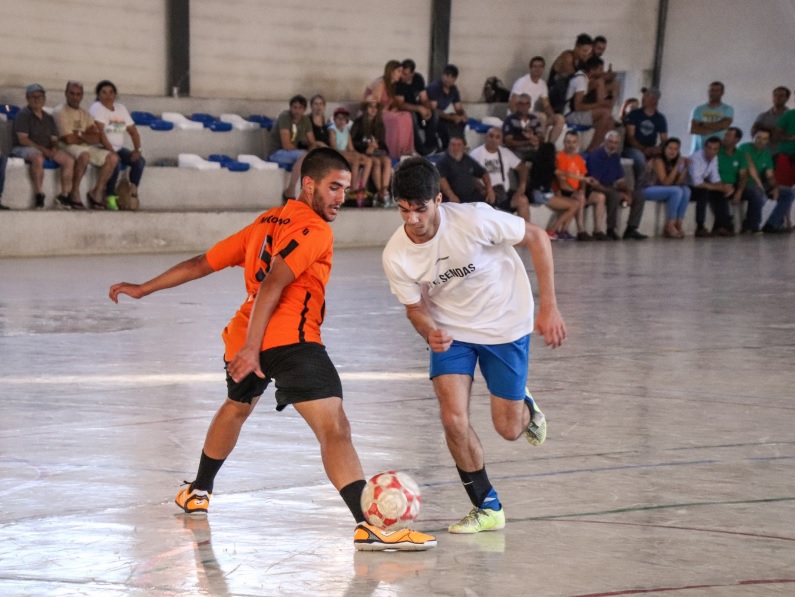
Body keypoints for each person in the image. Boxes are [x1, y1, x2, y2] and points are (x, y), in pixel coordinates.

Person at [108, 147, 436, 552]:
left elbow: (201, 262)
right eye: (334, 187)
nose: (340, 198)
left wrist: (144, 288)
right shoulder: (315, 230)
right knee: (335, 428)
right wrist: (252, 349)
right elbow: (273, 284)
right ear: (309, 184)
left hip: (246, 334)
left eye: (346, 190)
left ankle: (198, 491)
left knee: (236, 407)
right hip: (291, 340)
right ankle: (371, 526)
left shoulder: (264, 222)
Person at [382, 156, 567, 534]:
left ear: (437, 200)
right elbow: (415, 307)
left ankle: (524, 404)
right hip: (451, 331)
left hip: (505, 323)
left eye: (419, 209)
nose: (412, 219)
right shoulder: (396, 254)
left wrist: (549, 306)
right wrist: (428, 330)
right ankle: (487, 506)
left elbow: (535, 238)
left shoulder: (475, 219)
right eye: (404, 210)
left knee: (509, 430)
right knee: (453, 419)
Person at [54, 80, 119, 209]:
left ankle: (96, 192)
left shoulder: (85, 113)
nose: (75, 97)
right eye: (72, 93)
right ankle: (74, 192)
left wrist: (79, 135)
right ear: (66, 94)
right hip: (64, 146)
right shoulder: (59, 111)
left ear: (82, 95)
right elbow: (68, 139)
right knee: (84, 155)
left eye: (78, 94)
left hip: (84, 145)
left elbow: (96, 137)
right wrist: (85, 136)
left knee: (113, 157)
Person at [11, 83, 76, 209]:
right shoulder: (23, 115)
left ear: (44, 98)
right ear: (27, 98)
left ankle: (64, 195)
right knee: (38, 157)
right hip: (23, 148)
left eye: (39, 96)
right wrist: (43, 150)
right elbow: (23, 139)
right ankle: (39, 195)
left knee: (69, 160)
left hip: (45, 148)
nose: (36, 99)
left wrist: (54, 149)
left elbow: (54, 139)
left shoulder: (49, 118)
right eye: (33, 97)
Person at [89, 80, 145, 209]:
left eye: (111, 92)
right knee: (115, 162)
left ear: (115, 94)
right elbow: (101, 135)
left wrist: (138, 149)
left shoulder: (121, 109)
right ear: (98, 95)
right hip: (101, 147)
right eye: (104, 92)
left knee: (139, 161)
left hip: (118, 148)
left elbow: (133, 132)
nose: (108, 95)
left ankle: (133, 190)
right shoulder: (97, 108)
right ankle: (110, 196)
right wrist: (112, 152)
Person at [585, 131, 647, 240]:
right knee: (615, 195)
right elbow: (594, 183)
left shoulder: (615, 157)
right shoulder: (595, 156)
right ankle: (610, 229)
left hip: (611, 186)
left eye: (615, 143)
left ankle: (631, 228)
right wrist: (614, 192)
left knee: (639, 196)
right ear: (604, 142)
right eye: (610, 142)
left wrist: (628, 193)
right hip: (597, 187)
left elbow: (620, 180)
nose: (612, 145)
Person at [738, 127, 795, 234]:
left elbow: (770, 175)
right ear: (753, 137)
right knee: (758, 193)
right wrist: (761, 186)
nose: (760, 141)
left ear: (768, 141)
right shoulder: (744, 147)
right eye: (758, 137)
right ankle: (751, 226)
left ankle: (772, 224)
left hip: (761, 184)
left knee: (789, 193)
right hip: (745, 183)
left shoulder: (766, 154)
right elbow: (751, 169)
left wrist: (775, 188)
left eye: (764, 139)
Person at [469, 127, 531, 222]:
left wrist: (522, 186)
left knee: (523, 200)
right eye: (491, 136)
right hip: (485, 195)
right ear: (486, 137)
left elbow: (522, 168)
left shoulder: (505, 152)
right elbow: (470, 176)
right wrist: (484, 190)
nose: (493, 139)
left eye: (497, 137)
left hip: (503, 194)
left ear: (501, 140)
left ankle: (526, 233)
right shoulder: (476, 154)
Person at [555, 130, 606, 240]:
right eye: (568, 142)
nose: (571, 145)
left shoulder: (579, 159)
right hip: (566, 191)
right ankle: (581, 230)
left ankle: (597, 230)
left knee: (600, 197)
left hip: (577, 190)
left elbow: (583, 178)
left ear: (577, 143)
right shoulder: (559, 157)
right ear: (564, 142)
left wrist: (582, 189)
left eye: (573, 142)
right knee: (580, 197)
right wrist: (576, 192)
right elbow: (561, 180)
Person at [635, 137, 691, 238]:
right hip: (646, 188)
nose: (672, 151)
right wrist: (677, 166)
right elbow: (665, 182)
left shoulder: (672, 161)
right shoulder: (658, 160)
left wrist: (685, 168)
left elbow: (677, 183)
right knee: (677, 191)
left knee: (686, 190)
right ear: (664, 149)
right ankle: (670, 225)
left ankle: (678, 222)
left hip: (661, 189)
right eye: (670, 148)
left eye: (676, 149)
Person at [269, 95, 319, 201]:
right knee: (305, 156)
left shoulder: (305, 120)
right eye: (294, 107)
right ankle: (290, 190)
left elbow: (312, 142)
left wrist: (313, 148)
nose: (297, 110)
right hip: (277, 152)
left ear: (304, 109)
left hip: (294, 152)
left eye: (300, 108)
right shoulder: (284, 117)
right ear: (290, 108)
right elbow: (286, 144)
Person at [364, 60, 415, 159]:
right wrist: (388, 112)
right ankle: (394, 152)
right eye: (398, 71)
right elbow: (375, 104)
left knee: (407, 116)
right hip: (374, 111)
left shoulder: (392, 85)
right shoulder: (380, 83)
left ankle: (406, 150)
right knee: (396, 120)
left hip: (385, 111)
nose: (401, 74)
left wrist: (393, 109)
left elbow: (392, 103)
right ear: (391, 71)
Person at [508, 56, 565, 144]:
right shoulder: (522, 82)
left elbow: (546, 105)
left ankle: (549, 146)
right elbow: (512, 105)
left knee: (560, 119)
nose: (537, 69)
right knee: (542, 117)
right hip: (520, 115)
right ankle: (539, 145)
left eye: (540, 66)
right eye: (535, 66)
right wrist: (522, 119)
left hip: (532, 116)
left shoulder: (542, 84)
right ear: (530, 68)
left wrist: (552, 115)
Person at [564, 56, 614, 152]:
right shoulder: (581, 80)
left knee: (610, 120)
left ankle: (602, 150)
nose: (602, 72)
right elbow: (577, 106)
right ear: (592, 70)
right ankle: (591, 150)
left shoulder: (587, 79)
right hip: (570, 115)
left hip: (578, 114)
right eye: (600, 69)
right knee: (605, 113)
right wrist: (599, 104)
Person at [688, 136, 734, 237]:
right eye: (709, 148)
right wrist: (719, 187)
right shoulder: (696, 158)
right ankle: (700, 227)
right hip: (687, 186)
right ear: (704, 147)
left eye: (715, 149)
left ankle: (722, 225)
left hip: (699, 185)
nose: (711, 151)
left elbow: (715, 178)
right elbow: (697, 183)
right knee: (704, 192)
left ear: (718, 150)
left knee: (721, 193)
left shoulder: (714, 159)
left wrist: (724, 187)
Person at [622, 87, 668, 188]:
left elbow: (664, 140)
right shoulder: (635, 114)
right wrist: (644, 149)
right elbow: (630, 136)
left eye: (646, 96)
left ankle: (661, 185)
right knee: (639, 157)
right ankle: (640, 187)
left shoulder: (660, 118)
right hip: (632, 149)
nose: (643, 98)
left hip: (650, 149)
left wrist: (657, 149)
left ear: (654, 100)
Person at [351, 100, 393, 204]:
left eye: (376, 107)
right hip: (363, 151)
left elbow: (382, 142)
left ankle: (384, 190)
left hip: (376, 151)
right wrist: (367, 147)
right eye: (371, 107)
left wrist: (376, 145)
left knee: (387, 161)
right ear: (365, 109)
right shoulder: (359, 122)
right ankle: (380, 192)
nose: (374, 110)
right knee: (376, 163)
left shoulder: (379, 124)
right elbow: (353, 141)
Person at [329, 106, 372, 205]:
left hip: (347, 153)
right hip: (338, 154)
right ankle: (353, 189)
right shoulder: (332, 130)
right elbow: (334, 147)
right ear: (335, 119)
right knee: (356, 161)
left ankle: (362, 187)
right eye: (339, 118)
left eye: (344, 119)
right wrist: (353, 155)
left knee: (368, 160)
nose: (341, 121)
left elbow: (351, 148)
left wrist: (359, 155)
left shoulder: (346, 131)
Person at [420, 64, 467, 152]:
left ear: (455, 79)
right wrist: (451, 117)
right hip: (425, 118)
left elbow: (458, 108)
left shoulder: (453, 90)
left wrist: (462, 116)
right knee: (439, 121)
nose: (448, 79)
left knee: (461, 122)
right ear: (443, 75)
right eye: (446, 75)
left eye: (451, 77)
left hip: (439, 115)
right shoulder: (435, 87)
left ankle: (460, 145)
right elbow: (434, 110)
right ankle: (431, 146)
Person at [395, 59, 434, 155]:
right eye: (402, 73)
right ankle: (420, 148)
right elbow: (400, 104)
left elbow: (424, 98)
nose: (402, 76)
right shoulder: (399, 83)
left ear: (412, 73)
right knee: (411, 116)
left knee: (435, 114)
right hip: (405, 111)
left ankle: (431, 144)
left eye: (406, 74)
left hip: (417, 109)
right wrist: (419, 109)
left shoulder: (418, 79)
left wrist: (427, 109)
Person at [437, 136, 492, 204]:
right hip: (453, 199)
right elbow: (441, 179)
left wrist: (489, 190)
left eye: (459, 145)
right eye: (453, 145)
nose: (456, 148)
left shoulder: (467, 159)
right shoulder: (443, 162)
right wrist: (451, 195)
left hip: (471, 196)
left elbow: (483, 173)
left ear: (463, 147)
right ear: (449, 146)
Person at [548, 33, 594, 115]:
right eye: (584, 51)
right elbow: (575, 78)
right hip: (556, 93)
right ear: (576, 48)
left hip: (568, 92)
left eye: (588, 52)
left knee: (598, 82)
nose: (586, 54)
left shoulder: (580, 60)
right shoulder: (567, 56)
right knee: (582, 81)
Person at [689, 81, 734, 153]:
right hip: (699, 150)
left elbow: (725, 125)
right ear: (708, 92)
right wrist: (718, 127)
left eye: (717, 90)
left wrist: (703, 124)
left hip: (719, 150)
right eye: (712, 90)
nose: (714, 93)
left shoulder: (727, 109)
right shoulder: (698, 109)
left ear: (722, 92)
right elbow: (693, 129)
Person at [717, 127, 747, 231]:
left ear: (736, 140)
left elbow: (743, 176)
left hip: (734, 185)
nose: (724, 138)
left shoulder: (740, 155)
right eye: (725, 135)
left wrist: (739, 192)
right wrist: (721, 185)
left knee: (755, 194)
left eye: (728, 136)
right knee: (721, 194)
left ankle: (750, 226)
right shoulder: (716, 151)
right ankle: (726, 225)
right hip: (717, 184)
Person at [502, 93, 543, 162]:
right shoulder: (510, 119)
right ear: (517, 105)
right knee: (517, 159)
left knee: (545, 156)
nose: (524, 107)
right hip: (516, 150)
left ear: (530, 105)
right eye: (521, 104)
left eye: (526, 104)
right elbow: (508, 142)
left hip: (531, 150)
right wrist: (528, 142)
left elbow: (541, 137)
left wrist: (534, 138)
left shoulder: (534, 119)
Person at [752, 86, 790, 156]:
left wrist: (767, 130)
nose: (777, 98)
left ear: (787, 98)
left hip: (785, 155)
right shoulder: (763, 116)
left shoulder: (791, 116)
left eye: (781, 96)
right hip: (764, 154)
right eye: (775, 95)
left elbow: (790, 135)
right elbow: (754, 132)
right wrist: (776, 130)